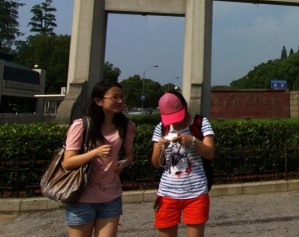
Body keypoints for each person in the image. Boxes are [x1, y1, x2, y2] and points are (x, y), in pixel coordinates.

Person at [61, 79, 136, 237]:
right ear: (98, 101)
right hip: (81, 198)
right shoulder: (81, 125)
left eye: (122, 97)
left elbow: (129, 156)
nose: (120, 101)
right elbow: (68, 162)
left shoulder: (127, 126)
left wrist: (122, 163)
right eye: (114, 97)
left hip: (111, 197)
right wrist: (94, 153)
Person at [151, 90, 215, 237]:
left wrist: (193, 141)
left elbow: (210, 153)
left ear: (184, 107)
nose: (175, 121)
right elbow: (155, 163)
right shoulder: (161, 128)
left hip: (196, 192)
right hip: (167, 193)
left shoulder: (200, 123)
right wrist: (162, 147)